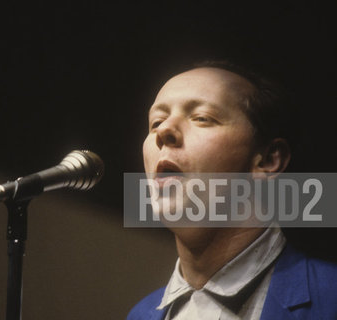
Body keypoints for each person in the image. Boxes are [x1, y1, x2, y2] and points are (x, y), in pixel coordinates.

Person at [127, 62, 337, 319]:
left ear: (268, 159)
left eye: (202, 118)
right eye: (156, 121)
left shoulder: (330, 299)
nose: (164, 131)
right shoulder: (139, 315)